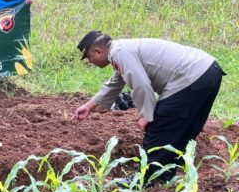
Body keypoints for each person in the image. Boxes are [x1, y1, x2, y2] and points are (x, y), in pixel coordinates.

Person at [72, 31, 224, 180]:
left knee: (159, 126)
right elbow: (116, 82)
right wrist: (89, 106)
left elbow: (141, 85)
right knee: (180, 127)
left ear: (98, 51)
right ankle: (164, 175)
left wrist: (146, 115)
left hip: (192, 76)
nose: (90, 62)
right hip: (208, 71)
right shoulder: (122, 51)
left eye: (89, 58)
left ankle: (146, 179)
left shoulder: (120, 53)